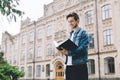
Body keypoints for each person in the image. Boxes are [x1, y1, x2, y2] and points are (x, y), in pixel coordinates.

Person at [59, 12, 89, 80]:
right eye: (69, 22)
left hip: (79, 66)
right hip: (69, 66)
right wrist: (63, 50)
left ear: (77, 20)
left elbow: (82, 48)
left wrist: (69, 53)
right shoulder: (70, 34)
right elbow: (70, 48)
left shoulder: (83, 33)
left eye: (72, 21)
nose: (70, 23)